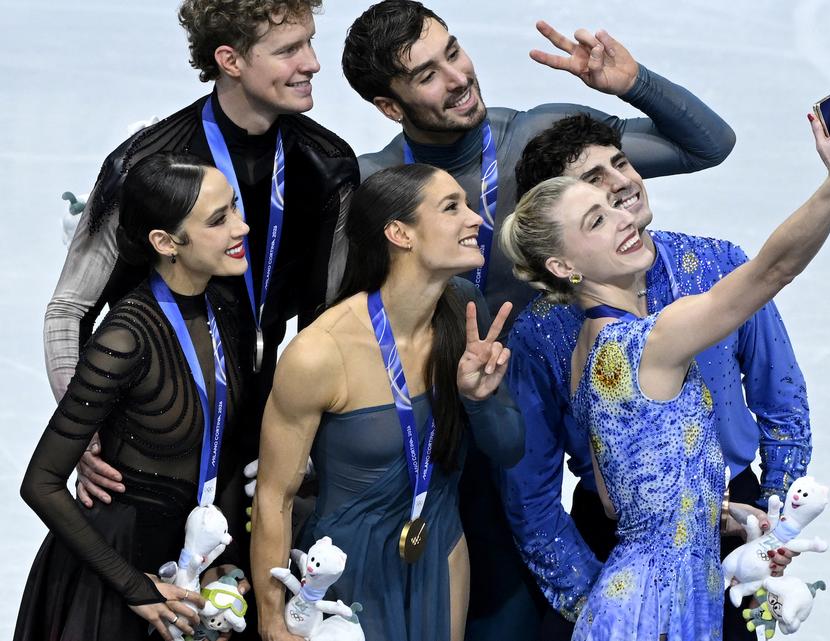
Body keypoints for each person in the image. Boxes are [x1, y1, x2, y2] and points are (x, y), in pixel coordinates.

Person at [342, 3, 736, 635]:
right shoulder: (379, 183)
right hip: (437, 434)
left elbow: (707, 146)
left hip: (546, 419)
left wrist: (633, 84)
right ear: (390, 105)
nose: (457, 76)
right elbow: (341, 313)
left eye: (454, 51)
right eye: (426, 74)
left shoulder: (532, 138)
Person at [498, 92, 830, 640]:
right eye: (595, 216)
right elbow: (774, 270)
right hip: (656, 597)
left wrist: (746, 522)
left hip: (678, 567)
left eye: (620, 166)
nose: (622, 203)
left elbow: (618, 495)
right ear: (563, 265)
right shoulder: (643, 342)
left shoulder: (592, 344)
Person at [44, 0, 359, 527]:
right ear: (230, 60)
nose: (312, 63)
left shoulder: (327, 166)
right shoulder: (144, 165)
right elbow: (69, 309)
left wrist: (310, 437)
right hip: (152, 430)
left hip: (263, 422)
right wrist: (83, 438)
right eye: (288, 50)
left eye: (309, 42)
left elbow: (330, 323)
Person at [250, 164, 526, 641]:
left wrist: (478, 400)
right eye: (451, 207)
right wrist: (271, 618)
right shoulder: (319, 353)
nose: (476, 219)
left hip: (440, 545)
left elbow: (509, 449)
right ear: (400, 233)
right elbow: (275, 497)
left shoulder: (465, 312)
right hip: (344, 569)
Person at [17, 153, 255, 641]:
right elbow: (40, 483)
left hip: (190, 561)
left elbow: (224, 449)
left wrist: (221, 560)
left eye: (234, 208)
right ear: (166, 243)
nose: (243, 227)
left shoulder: (224, 309)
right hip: (113, 575)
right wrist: (135, 588)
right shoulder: (124, 338)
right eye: (219, 219)